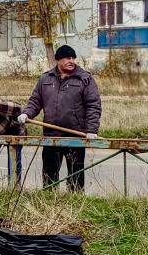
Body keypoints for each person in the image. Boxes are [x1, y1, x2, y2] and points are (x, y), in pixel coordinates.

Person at [20, 45, 102, 192]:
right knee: (49, 175)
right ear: (58, 60)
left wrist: (91, 129)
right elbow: (35, 101)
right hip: (51, 136)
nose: (71, 61)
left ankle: (75, 203)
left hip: (75, 136)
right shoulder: (46, 78)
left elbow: (93, 105)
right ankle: (49, 202)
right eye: (67, 58)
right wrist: (27, 113)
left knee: (75, 177)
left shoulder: (85, 79)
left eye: (73, 58)